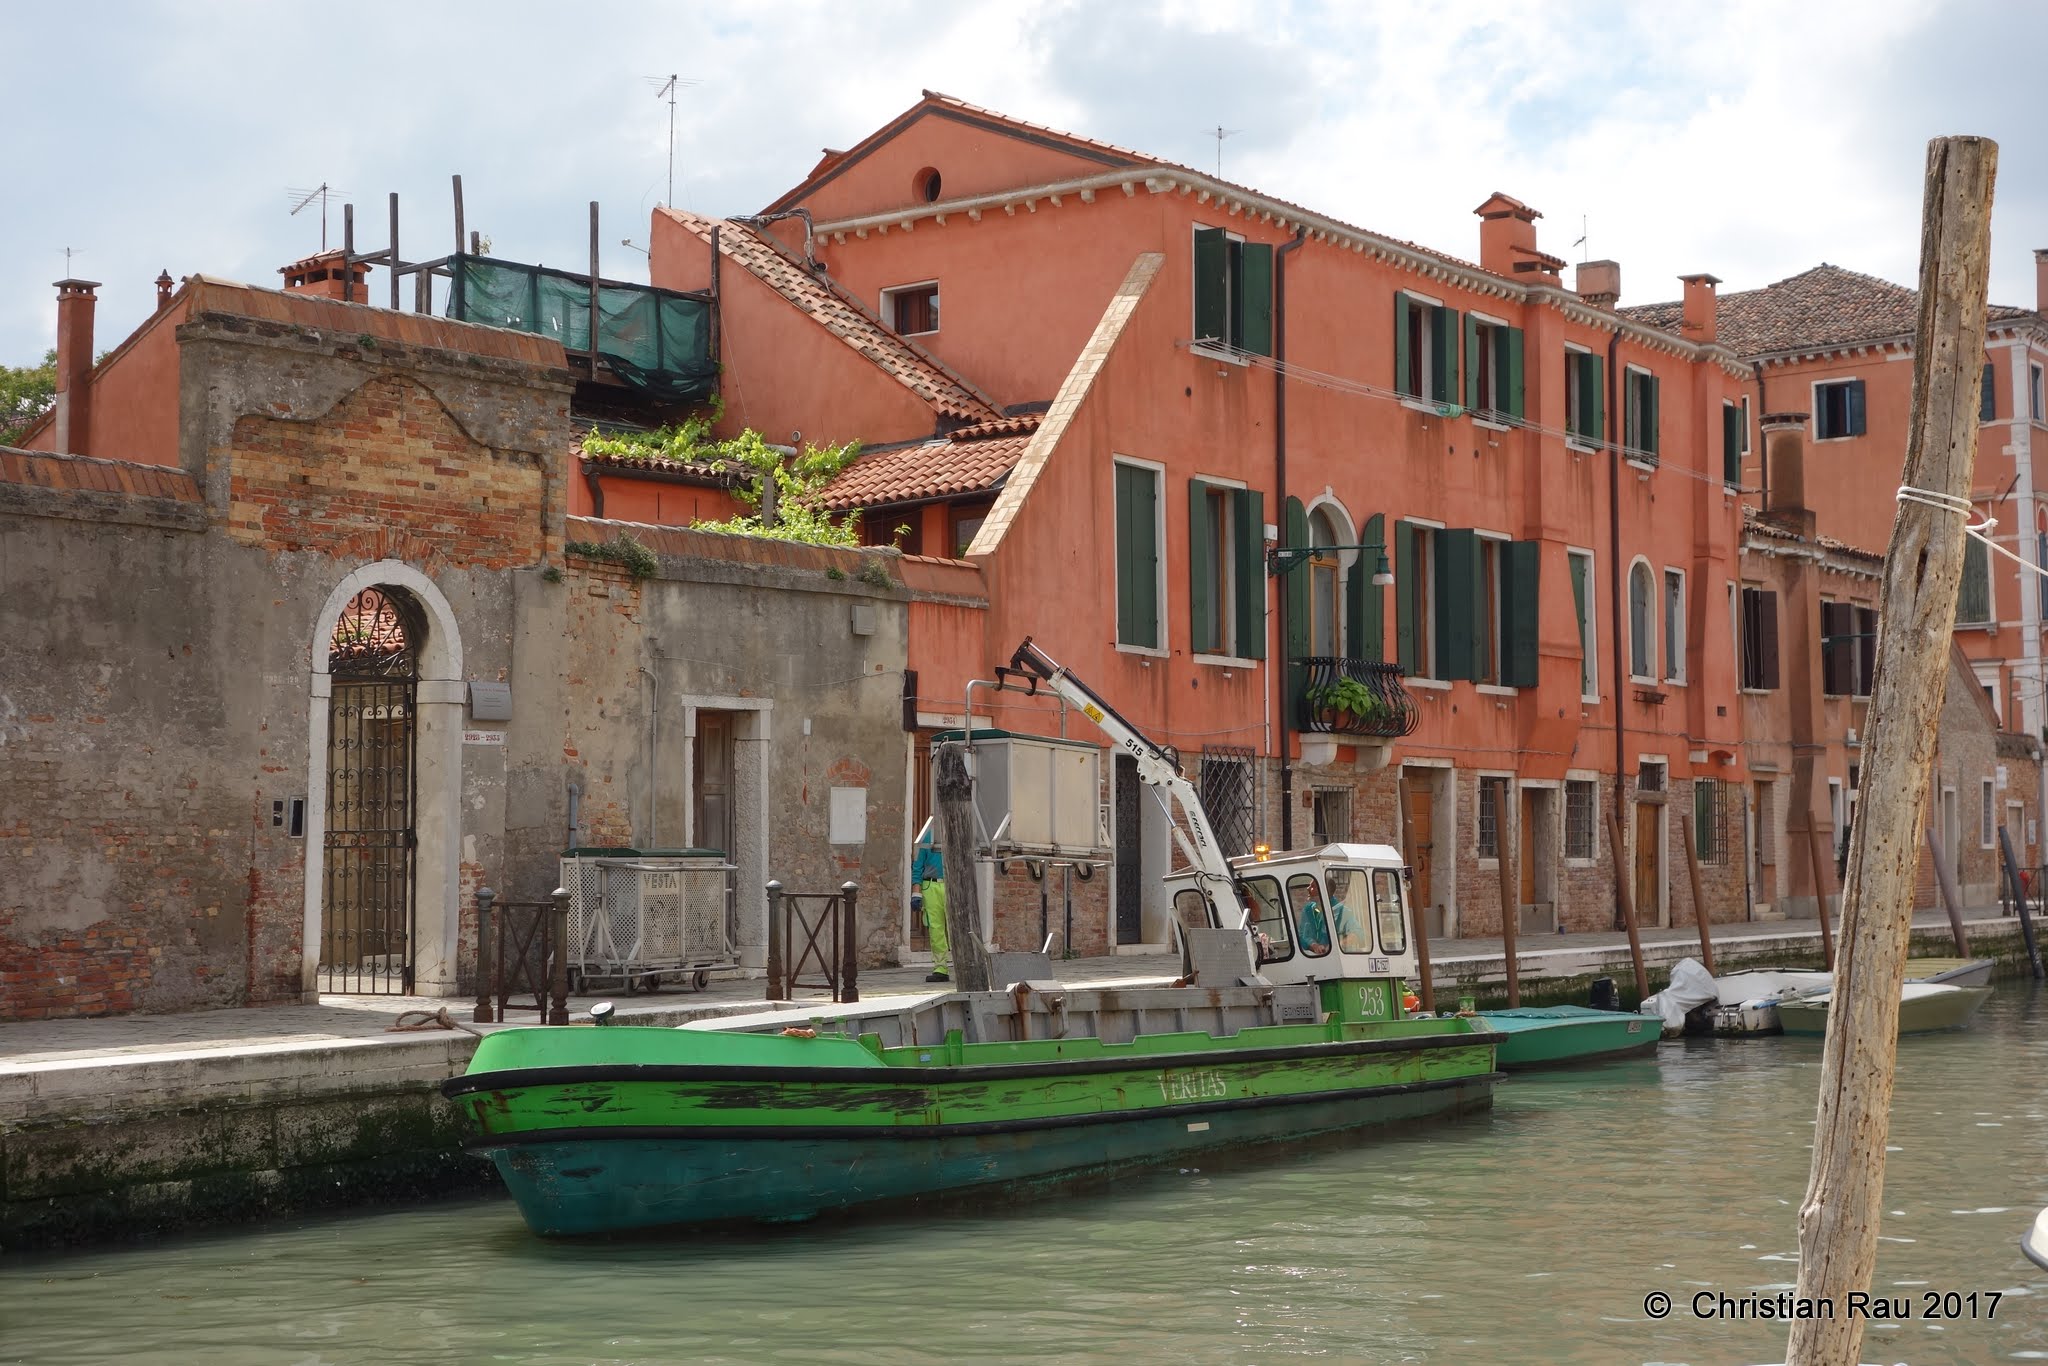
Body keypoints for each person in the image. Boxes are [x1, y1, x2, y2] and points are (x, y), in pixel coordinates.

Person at [912, 833, 950, 982]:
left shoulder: (959, 832)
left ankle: (965, 965)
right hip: (930, 885)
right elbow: (918, 866)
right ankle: (940, 968)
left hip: (952, 883)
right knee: (936, 929)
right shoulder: (927, 837)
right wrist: (916, 892)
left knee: (957, 928)